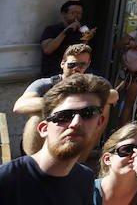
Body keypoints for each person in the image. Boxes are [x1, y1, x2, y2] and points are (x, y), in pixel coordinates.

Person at [0, 74, 110, 204]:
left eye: (89, 113)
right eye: (64, 116)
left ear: (99, 122)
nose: (76, 122)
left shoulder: (85, 179)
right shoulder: (6, 180)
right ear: (43, 128)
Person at [13, 44, 118, 159]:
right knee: (37, 113)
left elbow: (114, 95)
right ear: (63, 64)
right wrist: (62, 104)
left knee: (104, 107)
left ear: (88, 65)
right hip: (47, 139)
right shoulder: (45, 83)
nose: (77, 69)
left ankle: (79, 163)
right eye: (72, 65)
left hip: (75, 136)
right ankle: (32, 163)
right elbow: (19, 106)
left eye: (82, 64)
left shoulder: (93, 83)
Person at [40, 1, 97, 76]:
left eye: (79, 13)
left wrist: (86, 39)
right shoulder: (52, 29)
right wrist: (66, 31)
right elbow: (47, 50)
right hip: (55, 70)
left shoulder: (81, 31)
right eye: (73, 13)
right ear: (64, 14)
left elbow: (82, 53)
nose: (77, 16)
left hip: (77, 69)